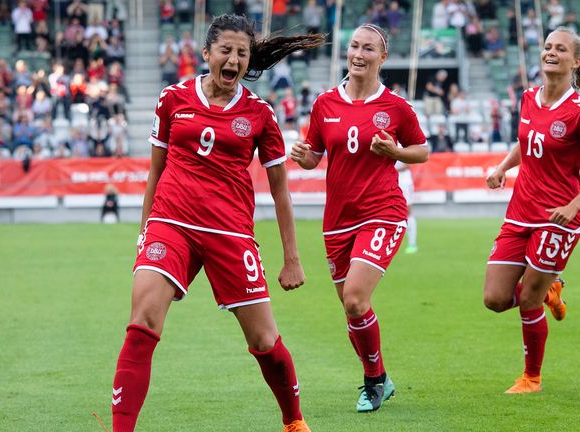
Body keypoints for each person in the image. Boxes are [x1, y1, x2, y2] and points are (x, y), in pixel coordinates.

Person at [109, 14, 325, 432]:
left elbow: (281, 191)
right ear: (206, 53)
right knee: (142, 322)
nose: (234, 59)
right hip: (171, 223)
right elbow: (155, 172)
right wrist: (144, 233)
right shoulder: (172, 98)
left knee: (264, 340)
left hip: (230, 232)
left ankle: (294, 421)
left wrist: (292, 258)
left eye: (242, 53)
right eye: (226, 50)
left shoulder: (260, 114)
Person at [483, 12, 580, 394]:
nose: (550, 52)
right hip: (519, 213)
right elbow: (526, 142)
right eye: (547, 46)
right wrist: (502, 166)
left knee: (527, 297)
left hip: (556, 218)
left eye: (559, 49)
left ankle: (532, 377)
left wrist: (574, 206)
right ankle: (549, 288)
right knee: (495, 299)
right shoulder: (529, 98)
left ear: (575, 61)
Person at [290, 23, 429, 413]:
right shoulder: (324, 104)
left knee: (354, 299)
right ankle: (381, 378)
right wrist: (306, 160)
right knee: (353, 308)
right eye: (354, 46)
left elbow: (422, 151)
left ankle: (370, 383)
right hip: (337, 219)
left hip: (382, 212)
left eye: (368, 48)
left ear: (382, 58)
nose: (358, 54)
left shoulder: (396, 108)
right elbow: (315, 154)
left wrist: (395, 153)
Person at [395, 161, 418, 253]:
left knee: (407, 212)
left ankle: (412, 244)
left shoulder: (403, 146)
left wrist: (391, 169)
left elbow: (407, 165)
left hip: (404, 182)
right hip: (393, 180)